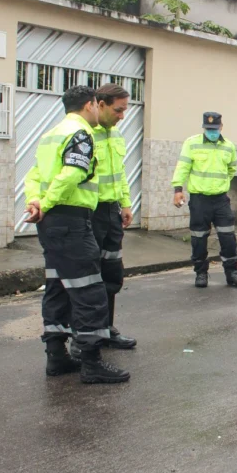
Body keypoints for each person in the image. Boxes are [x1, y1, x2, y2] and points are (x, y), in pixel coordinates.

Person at [24, 85, 130, 384]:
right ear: (91, 105)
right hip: (71, 219)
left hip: (52, 223)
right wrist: (46, 203)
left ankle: (56, 357)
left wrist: (35, 202)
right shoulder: (81, 133)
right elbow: (72, 173)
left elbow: (33, 175)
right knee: (89, 290)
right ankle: (91, 362)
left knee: (57, 285)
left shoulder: (51, 134)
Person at [86, 84, 137, 350]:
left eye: (124, 110)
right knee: (88, 276)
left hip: (111, 212)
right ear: (101, 104)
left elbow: (120, 173)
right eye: (118, 110)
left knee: (111, 272)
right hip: (89, 212)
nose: (122, 116)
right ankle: (87, 334)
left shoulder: (115, 134)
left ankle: (106, 328)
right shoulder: (84, 134)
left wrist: (125, 204)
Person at [172, 112, 237, 289]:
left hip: (221, 199)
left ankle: (232, 273)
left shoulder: (228, 146)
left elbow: (231, 169)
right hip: (199, 199)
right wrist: (178, 190)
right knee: (199, 237)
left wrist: (221, 184)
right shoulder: (192, 143)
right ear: (204, 128)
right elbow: (183, 167)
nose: (212, 132)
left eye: (214, 129)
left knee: (228, 236)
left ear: (221, 127)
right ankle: (201, 273)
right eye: (208, 129)